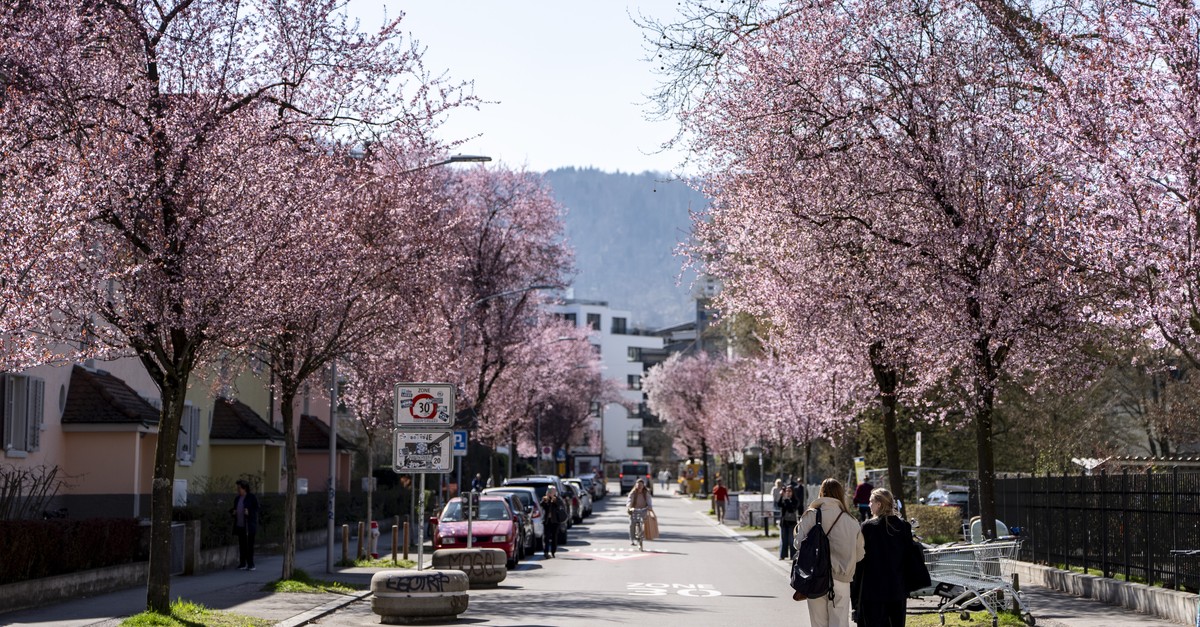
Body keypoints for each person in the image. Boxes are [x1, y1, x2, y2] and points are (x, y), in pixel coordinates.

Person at [795, 478, 865, 627]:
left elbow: (798, 544)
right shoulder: (851, 521)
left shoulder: (811, 515)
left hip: (815, 578)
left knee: (818, 623)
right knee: (839, 622)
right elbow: (860, 555)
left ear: (821, 492)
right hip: (841, 578)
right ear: (840, 494)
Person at [851, 488, 911, 627]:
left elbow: (860, 559)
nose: (869, 504)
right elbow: (909, 557)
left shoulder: (868, 527)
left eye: (871, 501)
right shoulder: (903, 526)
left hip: (873, 589)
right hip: (897, 587)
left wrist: (855, 591)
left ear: (879, 504)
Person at [229, 479, 259, 571]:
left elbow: (257, 509)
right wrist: (233, 512)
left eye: (239, 488)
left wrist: (249, 512)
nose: (238, 490)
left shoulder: (251, 497)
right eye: (237, 488)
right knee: (242, 545)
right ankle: (242, 563)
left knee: (249, 545)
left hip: (249, 526)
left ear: (244, 488)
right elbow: (234, 509)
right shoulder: (237, 498)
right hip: (240, 525)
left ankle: (251, 564)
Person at [539, 486, 567, 558]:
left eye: (553, 491)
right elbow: (541, 505)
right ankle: (546, 552)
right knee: (546, 537)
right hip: (547, 521)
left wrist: (553, 499)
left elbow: (560, 505)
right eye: (550, 491)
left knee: (554, 537)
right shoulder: (545, 499)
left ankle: (553, 551)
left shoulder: (557, 499)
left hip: (555, 521)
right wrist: (547, 499)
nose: (551, 492)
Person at [626, 478, 654, 544]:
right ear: (636, 486)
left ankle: (642, 535)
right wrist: (629, 507)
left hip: (643, 510)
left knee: (644, 523)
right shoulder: (633, 493)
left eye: (641, 485)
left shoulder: (646, 493)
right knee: (632, 524)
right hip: (634, 510)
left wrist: (650, 506)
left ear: (643, 486)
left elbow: (649, 501)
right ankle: (632, 539)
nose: (639, 487)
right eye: (638, 485)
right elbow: (629, 500)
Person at [777, 484, 801, 560]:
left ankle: (793, 556)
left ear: (793, 492)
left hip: (792, 523)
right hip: (784, 522)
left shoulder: (795, 500)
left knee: (791, 540)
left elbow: (791, 509)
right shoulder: (784, 499)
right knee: (783, 540)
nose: (788, 492)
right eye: (786, 491)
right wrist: (781, 496)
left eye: (789, 491)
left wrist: (787, 500)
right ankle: (782, 555)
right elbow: (779, 504)